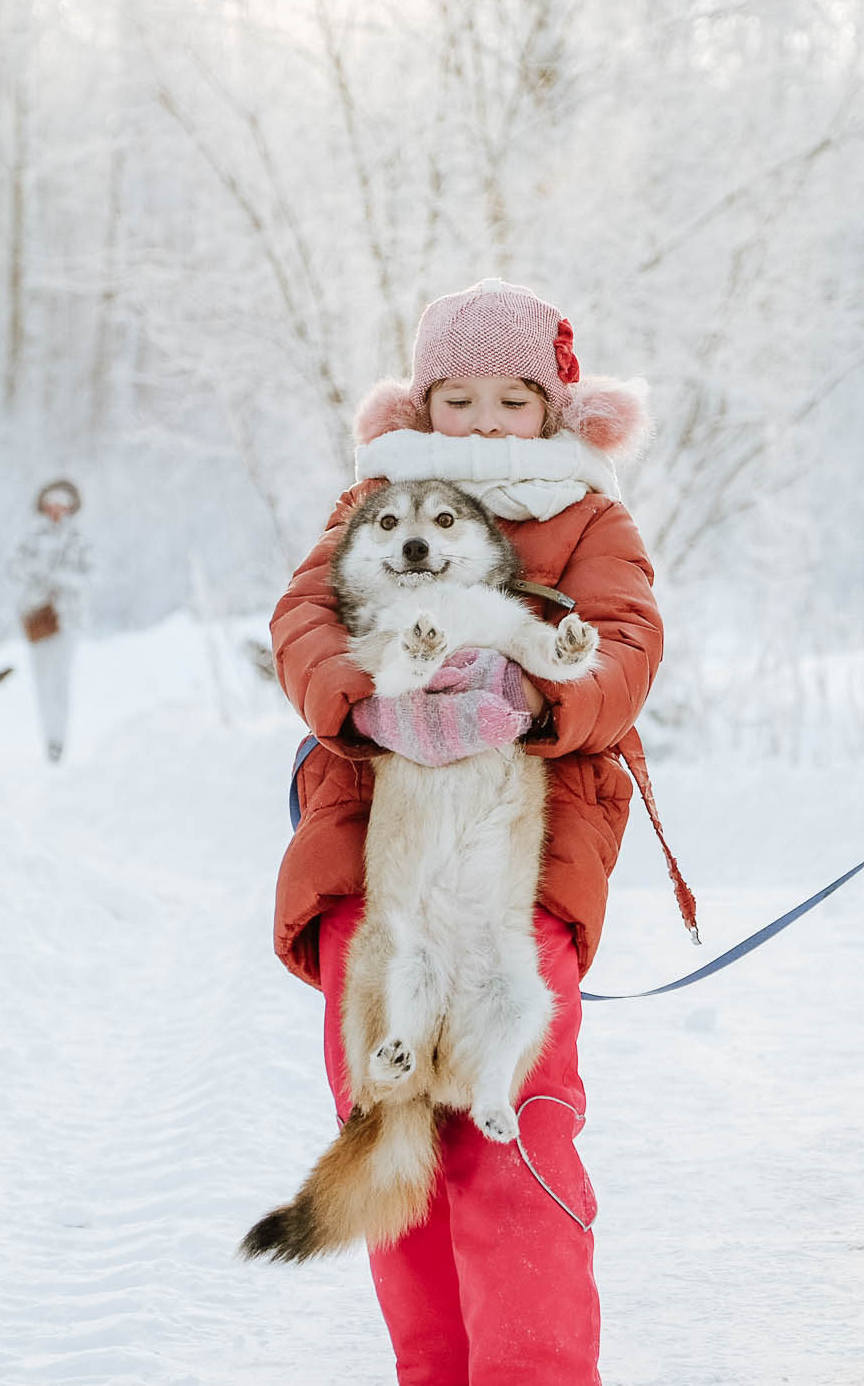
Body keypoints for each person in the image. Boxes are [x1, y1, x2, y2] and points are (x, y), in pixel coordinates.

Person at [269, 278, 657, 1384]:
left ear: (554, 407)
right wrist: (359, 695)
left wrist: (538, 701)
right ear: (421, 403)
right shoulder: (371, 503)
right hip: (373, 853)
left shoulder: (589, 514)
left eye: (511, 398)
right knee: (396, 1124)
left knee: (511, 1129)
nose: (484, 422)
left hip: (519, 858)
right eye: (458, 397)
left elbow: (625, 645)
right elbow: (300, 618)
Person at [7, 478, 92, 763]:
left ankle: (60, 740)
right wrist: (39, 575)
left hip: (68, 620)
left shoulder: (78, 539)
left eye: (61, 505)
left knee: (61, 683)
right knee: (43, 682)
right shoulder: (31, 538)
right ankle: (49, 740)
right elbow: (14, 568)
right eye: (51, 505)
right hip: (38, 619)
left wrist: (60, 580)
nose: (56, 511)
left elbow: (90, 576)